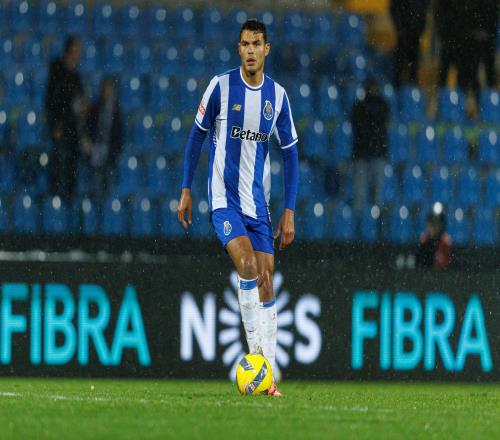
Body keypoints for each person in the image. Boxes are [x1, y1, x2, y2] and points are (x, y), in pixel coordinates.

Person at [177, 19, 299, 396]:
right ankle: (257, 358)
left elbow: (291, 155)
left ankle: (269, 378)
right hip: (224, 201)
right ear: (238, 48)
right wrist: (186, 188)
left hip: (257, 205)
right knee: (247, 264)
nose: (250, 50)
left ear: (267, 49)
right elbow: (196, 137)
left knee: (266, 281)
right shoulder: (220, 87)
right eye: (244, 44)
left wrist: (289, 210)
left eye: (256, 44)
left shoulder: (277, 97)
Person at [45, 35, 85, 201]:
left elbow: (79, 100)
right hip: (61, 129)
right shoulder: (58, 71)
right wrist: (56, 125)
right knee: (59, 168)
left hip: (73, 129)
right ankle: (57, 205)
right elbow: (52, 100)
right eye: (77, 48)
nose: (80, 53)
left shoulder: (76, 75)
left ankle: (68, 204)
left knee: (71, 169)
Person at [351, 78, 389, 218]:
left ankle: (375, 226)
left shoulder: (381, 105)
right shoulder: (360, 106)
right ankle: (360, 226)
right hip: (363, 155)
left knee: (377, 197)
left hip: (376, 154)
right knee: (360, 197)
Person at [84, 76, 123, 199]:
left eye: (109, 89)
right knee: (96, 184)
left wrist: (115, 150)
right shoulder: (95, 107)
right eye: (105, 89)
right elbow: (88, 126)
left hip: (110, 152)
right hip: (96, 149)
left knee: (109, 186)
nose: (106, 92)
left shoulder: (116, 109)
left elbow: (119, 133)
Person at [390, 0, 429, 87]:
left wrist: (420, 28)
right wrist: (400, 28)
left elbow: (424, 10)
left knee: (414, 68)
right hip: (403, 35)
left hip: (415, 34)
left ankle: (412, 90)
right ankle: (398, 89)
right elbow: (393, 8)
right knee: (400, 67)